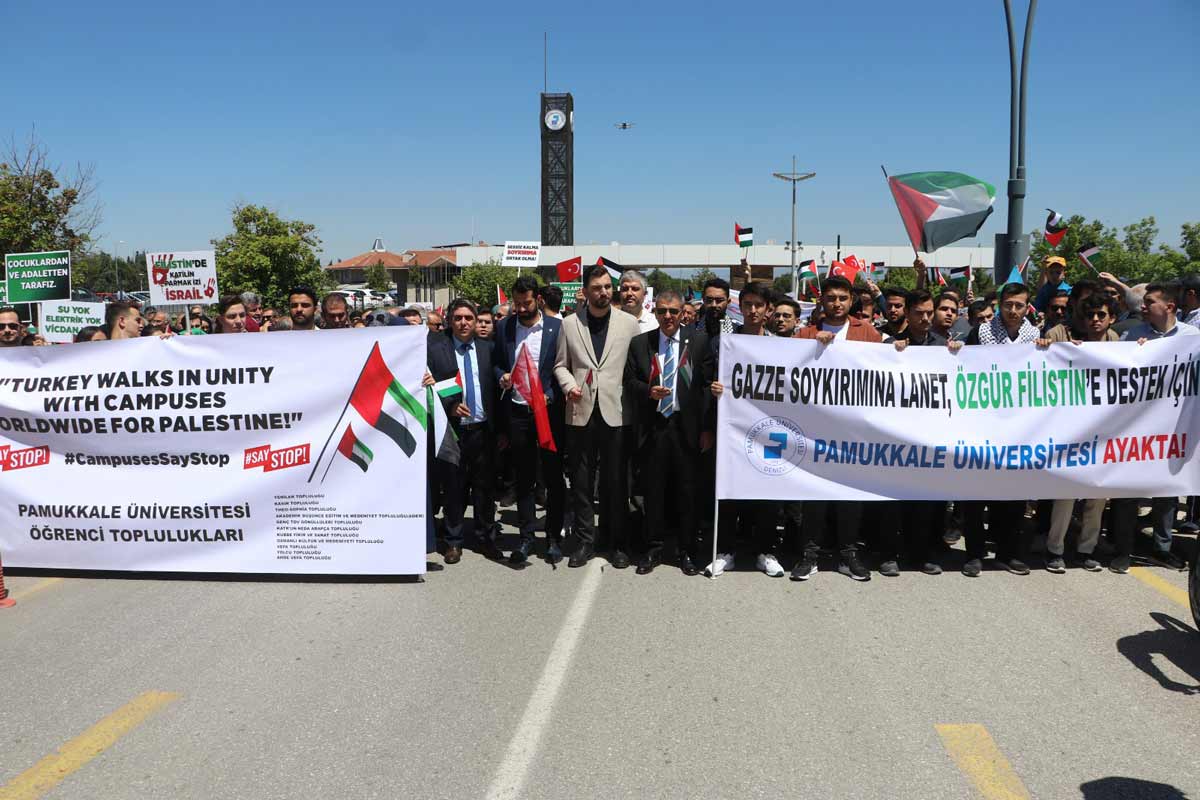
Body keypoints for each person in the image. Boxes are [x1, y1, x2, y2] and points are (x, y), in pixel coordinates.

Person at [793, 276, 881, 581]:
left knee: (849, 495)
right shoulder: (805, 334)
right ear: (822, 301)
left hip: (853, 431)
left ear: (851, 300)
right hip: (814, 430)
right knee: (814, 496)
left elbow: (886, 372)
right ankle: (810, 554)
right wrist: (812, 350)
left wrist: (898, 348)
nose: (837, 303)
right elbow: (786, 371)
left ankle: (847, 555)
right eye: (831, 298)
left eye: (843, 298)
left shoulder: (866, 332)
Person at [554, 264, 640, 568]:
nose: (603, 292)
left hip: (617, 413)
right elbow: (560, 365)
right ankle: (585, 542)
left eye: (606, 287)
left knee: (616, 483)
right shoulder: (569, 324)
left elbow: (636, 368)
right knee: (581, 482)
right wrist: (569, 385)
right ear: (586, 291)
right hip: (580, 413)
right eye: (596, 288)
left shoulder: (630, 324)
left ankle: (617, 543)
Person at [624, 289, 714, 575]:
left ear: (682, 313)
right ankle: (653, 548)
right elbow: (628, 381)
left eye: (673, 311)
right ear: (656, 312)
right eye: (662, 311)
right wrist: (648, 391)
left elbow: (706, 387)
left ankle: (687, 551)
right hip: (654, 427)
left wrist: (708, 428)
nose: (667, 316)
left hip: (687, 428)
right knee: (654, 491)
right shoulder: (641, 343)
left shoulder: (699, 342)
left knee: (688, 492)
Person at [959, 282, 1040, 577]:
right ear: (1000, 305)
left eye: (1019, 305)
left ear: (1027, 306)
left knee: (1013, 495)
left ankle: (1008, 552)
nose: (1014, 311)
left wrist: (1048, 351)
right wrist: (957, 350)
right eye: (1008, 305)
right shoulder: (980, 333)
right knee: (975, 495)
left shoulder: (1035, 336)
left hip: (1018, 428)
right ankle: (974, 554)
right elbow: (962, 367)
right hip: (982, 424)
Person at [705, 281, 785, 578]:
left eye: (758, 305)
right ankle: (725, 551)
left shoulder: (781, 344)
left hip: (769, 430)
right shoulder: (725, 341)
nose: (752, 310)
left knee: (767, 492)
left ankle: (766, 551)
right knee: (729, 491)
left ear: (768, 310)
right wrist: (714, 389)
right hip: (732, 430)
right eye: (747, 305)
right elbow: (708, 379)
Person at [1035, 293, 1118, 573]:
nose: (1095, 320)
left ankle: (1086, 550)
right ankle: (1054, 549)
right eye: (1090, 315)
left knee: (1097, 495)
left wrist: (1142, 349)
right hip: (1072, 431)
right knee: (1066, 494)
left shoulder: (1119, 343)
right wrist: (1050, 348)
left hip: (1106, 432)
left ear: (1111, 318)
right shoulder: (1067, 342)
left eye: (1101, 315)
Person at [494, 275, 565, 565]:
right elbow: (497, 362)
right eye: (517, 303)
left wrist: (550, 395)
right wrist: (502, 375)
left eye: (526, 303)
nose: (521, 309)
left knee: (552, 478)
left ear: (539, 299)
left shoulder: (557, 328)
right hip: (518, 412)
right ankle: (525, 538)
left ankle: (553, 538)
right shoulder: (504, 328)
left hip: (548, 413)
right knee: (523, 479)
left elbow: (564, 367)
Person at [427, 298, 502, 564]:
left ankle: (485, 538)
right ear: (449, 320)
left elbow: (495, 386)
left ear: (475, 321)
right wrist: (450, 406)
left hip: (483, 430)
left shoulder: (488, 348)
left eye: (468, 318)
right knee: (454, 487)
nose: (463, 323)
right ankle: (454, 541)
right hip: (452, 430)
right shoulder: (436, 349)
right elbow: (431, 386)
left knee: (484, 488)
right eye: (458, 318)